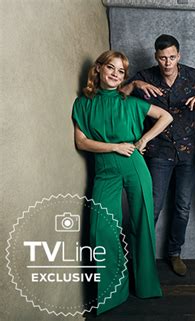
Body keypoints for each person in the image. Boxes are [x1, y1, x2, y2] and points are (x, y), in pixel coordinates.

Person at [72, 50, 173, 314]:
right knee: (100, 229)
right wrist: (114, 147)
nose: (116, 74)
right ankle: (113, 291)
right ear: (99, 69)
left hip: (134, 165)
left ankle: (146, 285)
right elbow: (81, 142)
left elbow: (166, 116)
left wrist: (143, 140)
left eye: (121, 71)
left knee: (142, 221)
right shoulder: (82, 104)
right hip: (105, 169)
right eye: (111, 68)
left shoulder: (130, 103)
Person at [121, 34, 195, 276]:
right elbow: (116, 99)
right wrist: (133, 85)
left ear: (179, 56)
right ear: (156, 57)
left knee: (183, 206)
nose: (167, 62)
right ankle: (141, 255)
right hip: (158, 151)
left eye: (172, 57)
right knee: (152, 207)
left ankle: (174, 253)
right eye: (163, 58)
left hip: (188, 151)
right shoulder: (144, 77)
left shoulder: (192, 76)